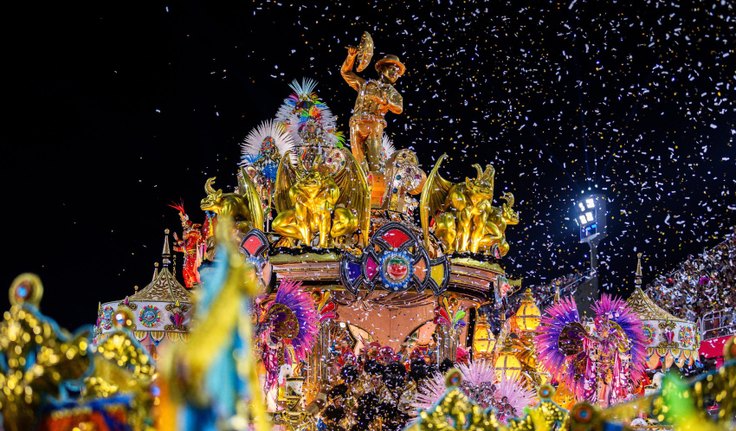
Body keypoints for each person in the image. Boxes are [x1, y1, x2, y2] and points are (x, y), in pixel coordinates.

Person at [341, 47, 405, 174]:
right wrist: (351, 56)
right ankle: (364, 190)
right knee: (359, 164)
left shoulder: (392, 92)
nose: (395, 73)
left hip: (374, 126)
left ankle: (377, 189)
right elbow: (345, 72)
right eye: (392, 68)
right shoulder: (365, 85)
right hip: (356, 124)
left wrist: (385, 102)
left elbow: (399, 109)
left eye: (397, 71)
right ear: (382, 68)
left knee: (374, 163)